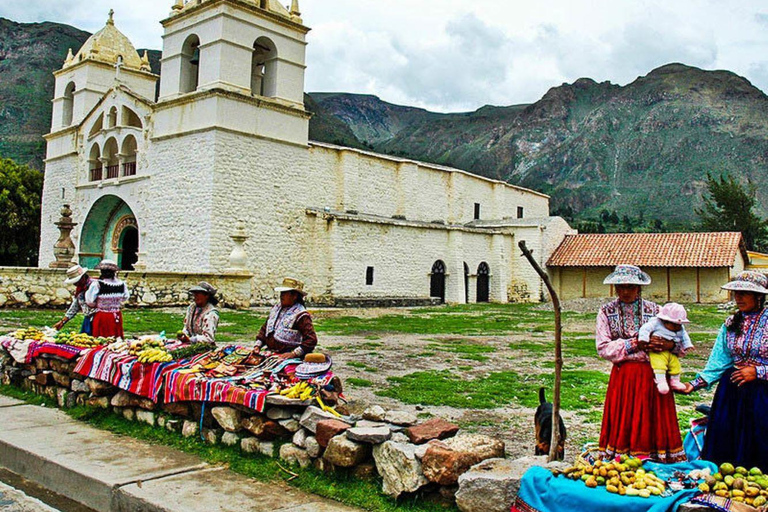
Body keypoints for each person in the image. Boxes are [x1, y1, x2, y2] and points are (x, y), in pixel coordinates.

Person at [596, 265, 686, 463]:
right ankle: (622, 458)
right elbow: (603, 348)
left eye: (631, 287)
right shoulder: (606, 312)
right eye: (621, 287)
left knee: (652, 420)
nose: (625, 291)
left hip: (654, 374)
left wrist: (667, 344)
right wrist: (635, 343)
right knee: (626, 418)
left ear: (639, 287)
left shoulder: (657, 311)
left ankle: (657, 457)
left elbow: (679, 339)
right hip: (625, 377)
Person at [683, 271, 768, 468]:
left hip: (762, 394)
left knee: (760, 439)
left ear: (759, 296)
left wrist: (758, 372)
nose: (738, 297)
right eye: (736, 292)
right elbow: (718, 361)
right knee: (726, 441)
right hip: (732, 392)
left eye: (744, 293)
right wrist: (694, 384)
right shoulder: (731, 323)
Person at [253, 277, 317, 360]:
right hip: (272, 354)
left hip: (288, 357)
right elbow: (265, 329)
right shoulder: (276, 309)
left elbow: (311, 340)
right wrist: (258, 345)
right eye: (281, 293)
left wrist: (293, 354)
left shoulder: (301, 315)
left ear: (294, 296)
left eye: (285, 293)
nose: (281, 296)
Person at [638, 303, 694, 394]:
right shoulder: (656, 323)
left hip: (671, 352)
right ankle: (661, 382)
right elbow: (645, 329)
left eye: (679, 325)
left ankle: (675, 381)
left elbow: (684, 336)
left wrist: (688, 345)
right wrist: (643, 339)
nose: (677, 327)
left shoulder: (679, 327)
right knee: (659, 365)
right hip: (657, 352)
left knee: (675, 365)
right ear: (665, 321)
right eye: (674, 325)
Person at [85, 260, 130, 338]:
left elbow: (90, 301)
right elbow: (125, 297)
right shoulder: (121, 284)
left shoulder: (97, 284)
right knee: (115, 339)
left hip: (102, 316)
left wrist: (99, 304)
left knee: (102, 338)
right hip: (116, 314)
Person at [54, 265, 95, 335]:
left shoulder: (94, 285)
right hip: (88, 319)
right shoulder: (80, 289)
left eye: (76, 281)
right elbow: (75, 307)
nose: (75, 284)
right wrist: (62, 322)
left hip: (97, 318)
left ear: (83, 278)